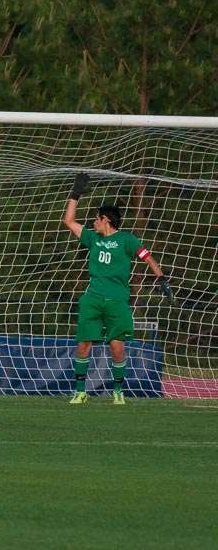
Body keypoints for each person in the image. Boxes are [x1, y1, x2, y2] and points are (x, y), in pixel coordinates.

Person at [62, 173, 172, 405]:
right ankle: (80, 392)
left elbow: (147, 257)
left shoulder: (128, 240)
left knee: (117, 347)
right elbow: (69, 222)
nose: (93, 222)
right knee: (83, 344)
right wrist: (75, 195)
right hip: (92, 298)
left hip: (117, 300)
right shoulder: (93, 238)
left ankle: (118, 391)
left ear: (105, 220)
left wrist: (161, 278)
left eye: (96, 219)